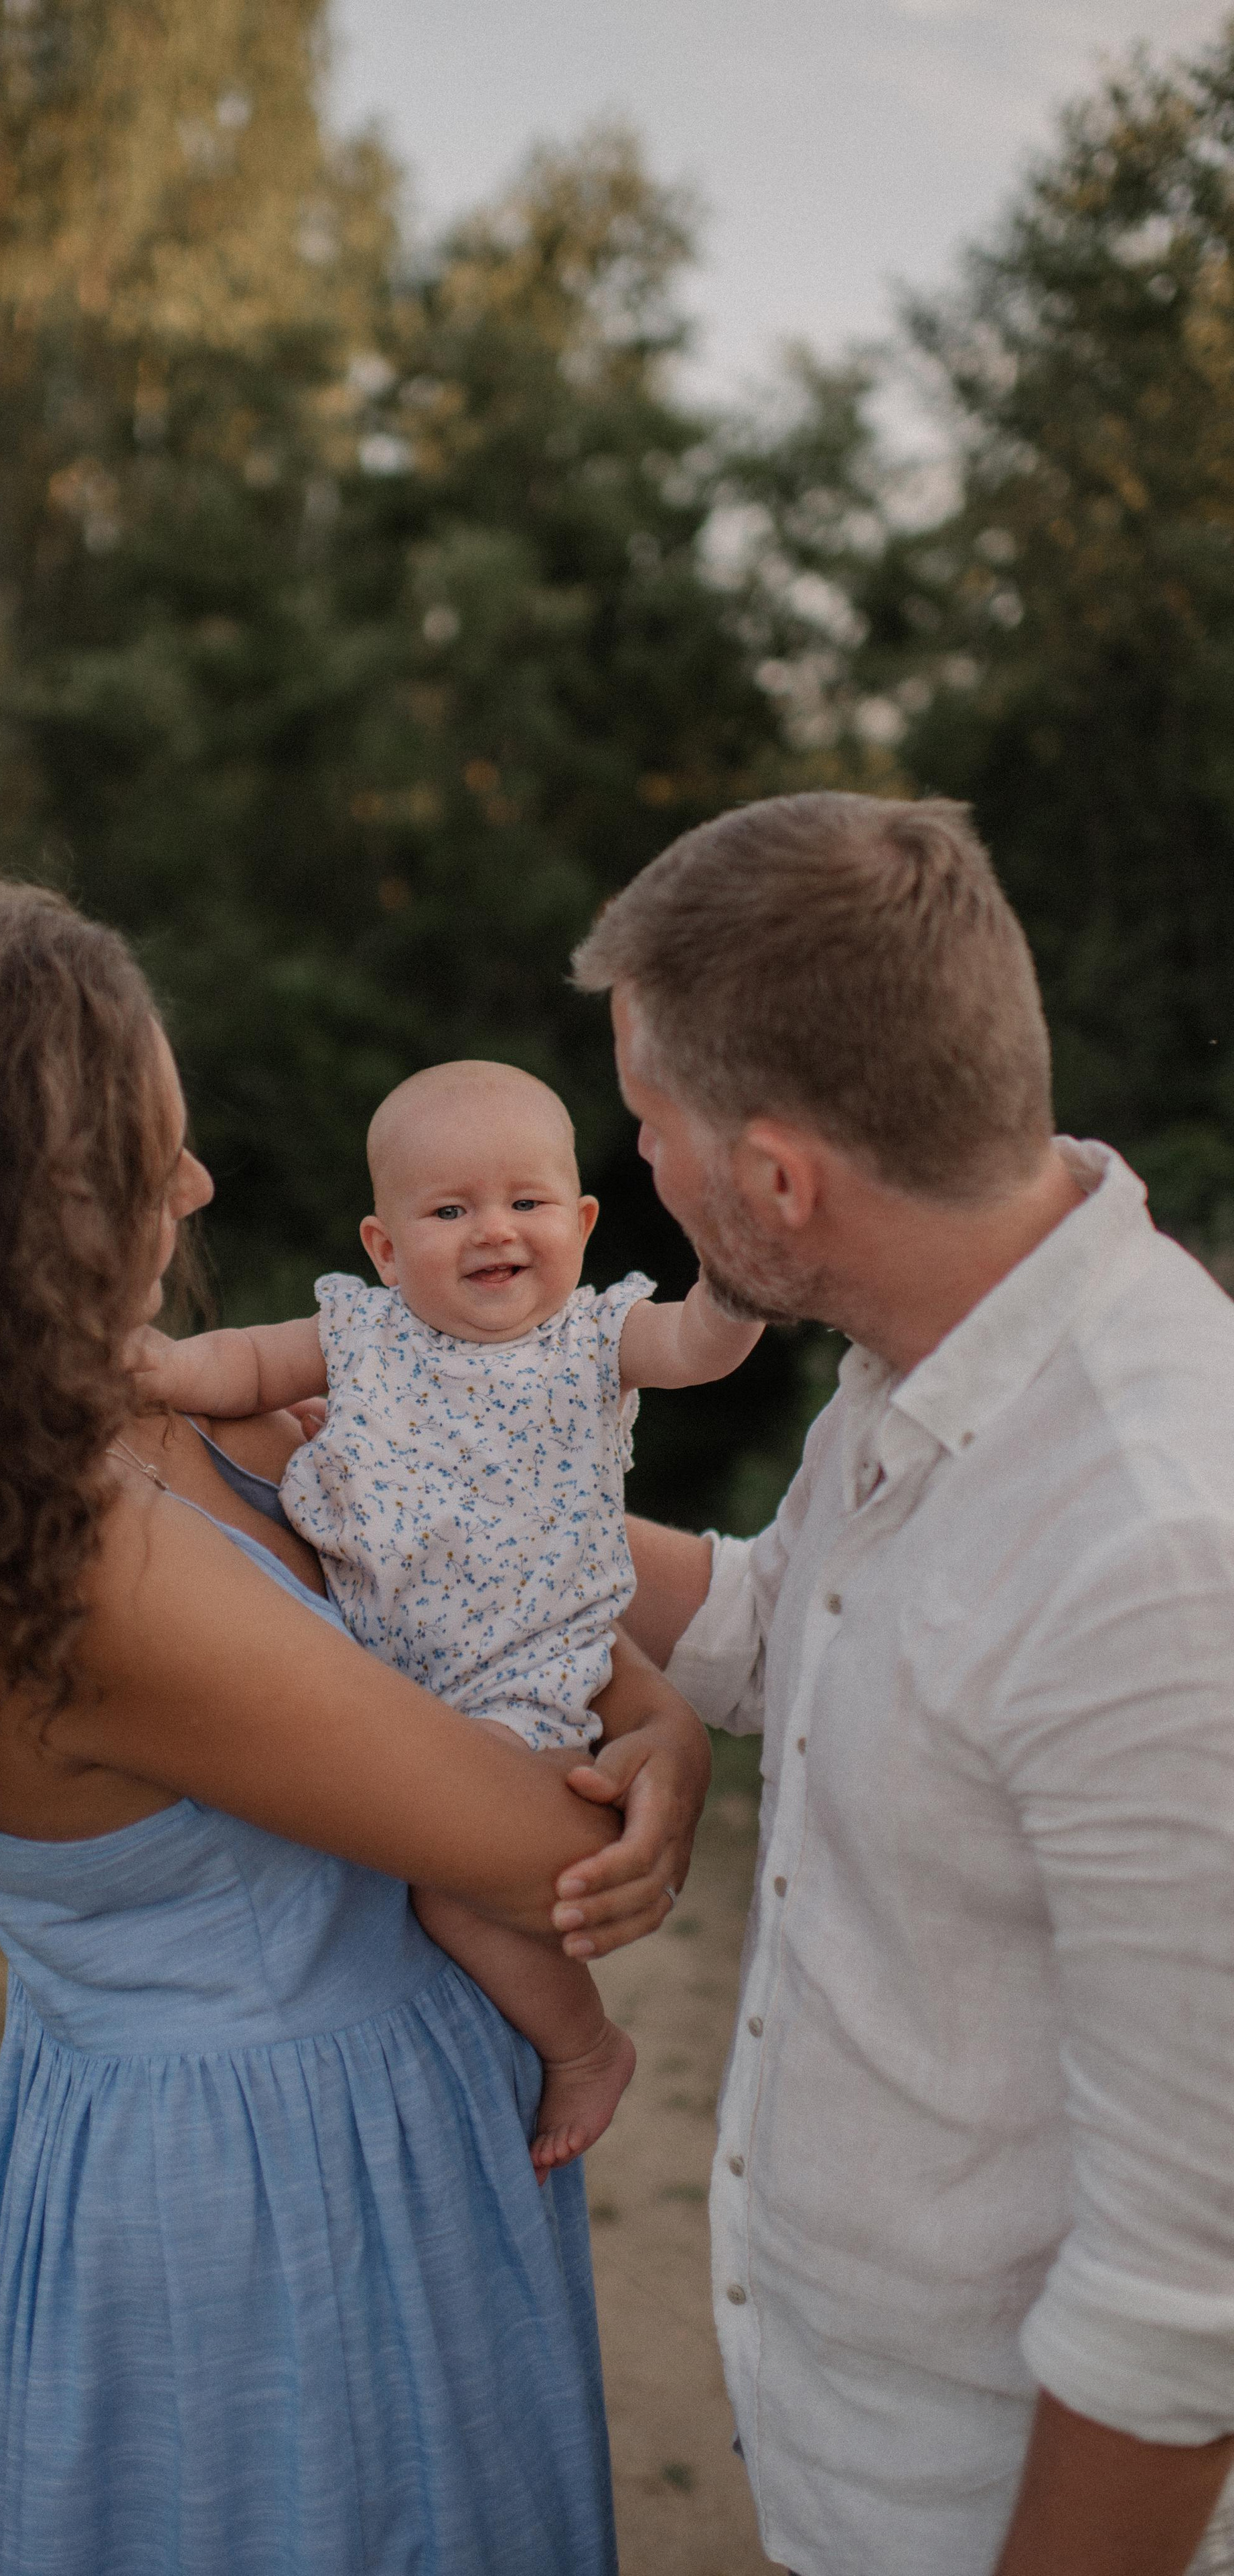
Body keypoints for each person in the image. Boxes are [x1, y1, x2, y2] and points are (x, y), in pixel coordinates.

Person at [0, 876, 714, 2576]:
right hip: (280, 2198)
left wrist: (658, 1713)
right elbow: (540, 1837)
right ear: (19, 1199)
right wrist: (648, 1772)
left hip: (313, 2131)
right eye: (154, 1151)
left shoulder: (119, 1420)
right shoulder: (75, 1562)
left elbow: (474, 1574)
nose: (195, 1187)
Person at [574, 791, 1234, 2576]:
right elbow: (788, 1625)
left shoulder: (1161, 1553)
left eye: (649, 1128)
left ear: (778, 1177)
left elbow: (1187, 2303)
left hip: (1004, 2513)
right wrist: (454, 1503)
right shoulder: (924, 1350)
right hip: (854, 2469)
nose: (637, 1170)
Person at [140, 1055, 759, 2174]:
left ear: (579, 1221)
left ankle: (583, 2046)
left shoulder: (589, 1342)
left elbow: (695, 1346)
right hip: (387, 1668)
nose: (495, 1231)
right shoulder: (361, 1338)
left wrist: (737, 1285)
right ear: (384, 1247)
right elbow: (235, 1366)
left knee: (452, 1893)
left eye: (527, 1203)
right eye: (450, 1210)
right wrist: (157, 1365)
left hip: (523, 1682)